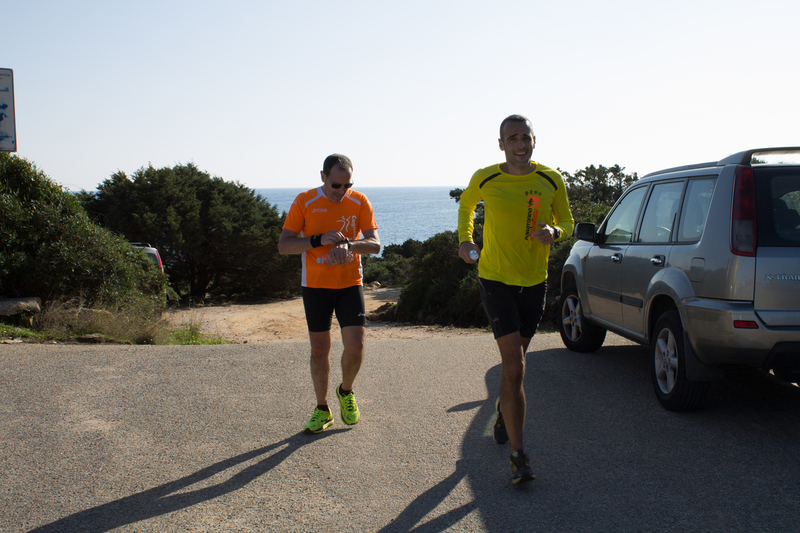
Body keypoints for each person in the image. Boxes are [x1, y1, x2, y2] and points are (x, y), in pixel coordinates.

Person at [457, 115, 574, 484]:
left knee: (514, 367)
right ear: (501, 144)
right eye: (512, 138)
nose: (519, 144)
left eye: (525, 137)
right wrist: (465, 239)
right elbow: (466, 205)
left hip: (534, 282)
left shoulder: (552, 179)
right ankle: (518, 456)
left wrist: (554, 231)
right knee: (516, 366)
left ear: (534, 141)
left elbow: (568, 223)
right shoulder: (486, 177)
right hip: (494, 279)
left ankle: (502, 406)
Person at [279, 154, 381, 434]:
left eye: (347, 185)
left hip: (350, 283)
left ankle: (346, 391)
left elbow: (374, 245)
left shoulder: (360, 201)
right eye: (336, 185)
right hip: (315, 286)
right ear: (323, 177)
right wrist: (316, 240)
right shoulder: (305, 201)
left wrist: (349, 245)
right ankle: (322, 409)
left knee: (356, 347)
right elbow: (284, 245)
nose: (342, 192)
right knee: (319, 351)